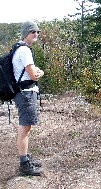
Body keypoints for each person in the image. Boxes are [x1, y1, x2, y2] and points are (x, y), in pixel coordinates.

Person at [12, 21, 44, 176]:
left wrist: (36, 71)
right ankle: (24, 165)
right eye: (33, 32)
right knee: (25, 128)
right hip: (26, 93)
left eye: (37, 31)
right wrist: (41, 72)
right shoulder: (24, 50)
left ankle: (25, 159)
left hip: (23, 93)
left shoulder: (19, 48)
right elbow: (33, 75)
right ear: (26, 33)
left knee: (25, 127)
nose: (36, 34)